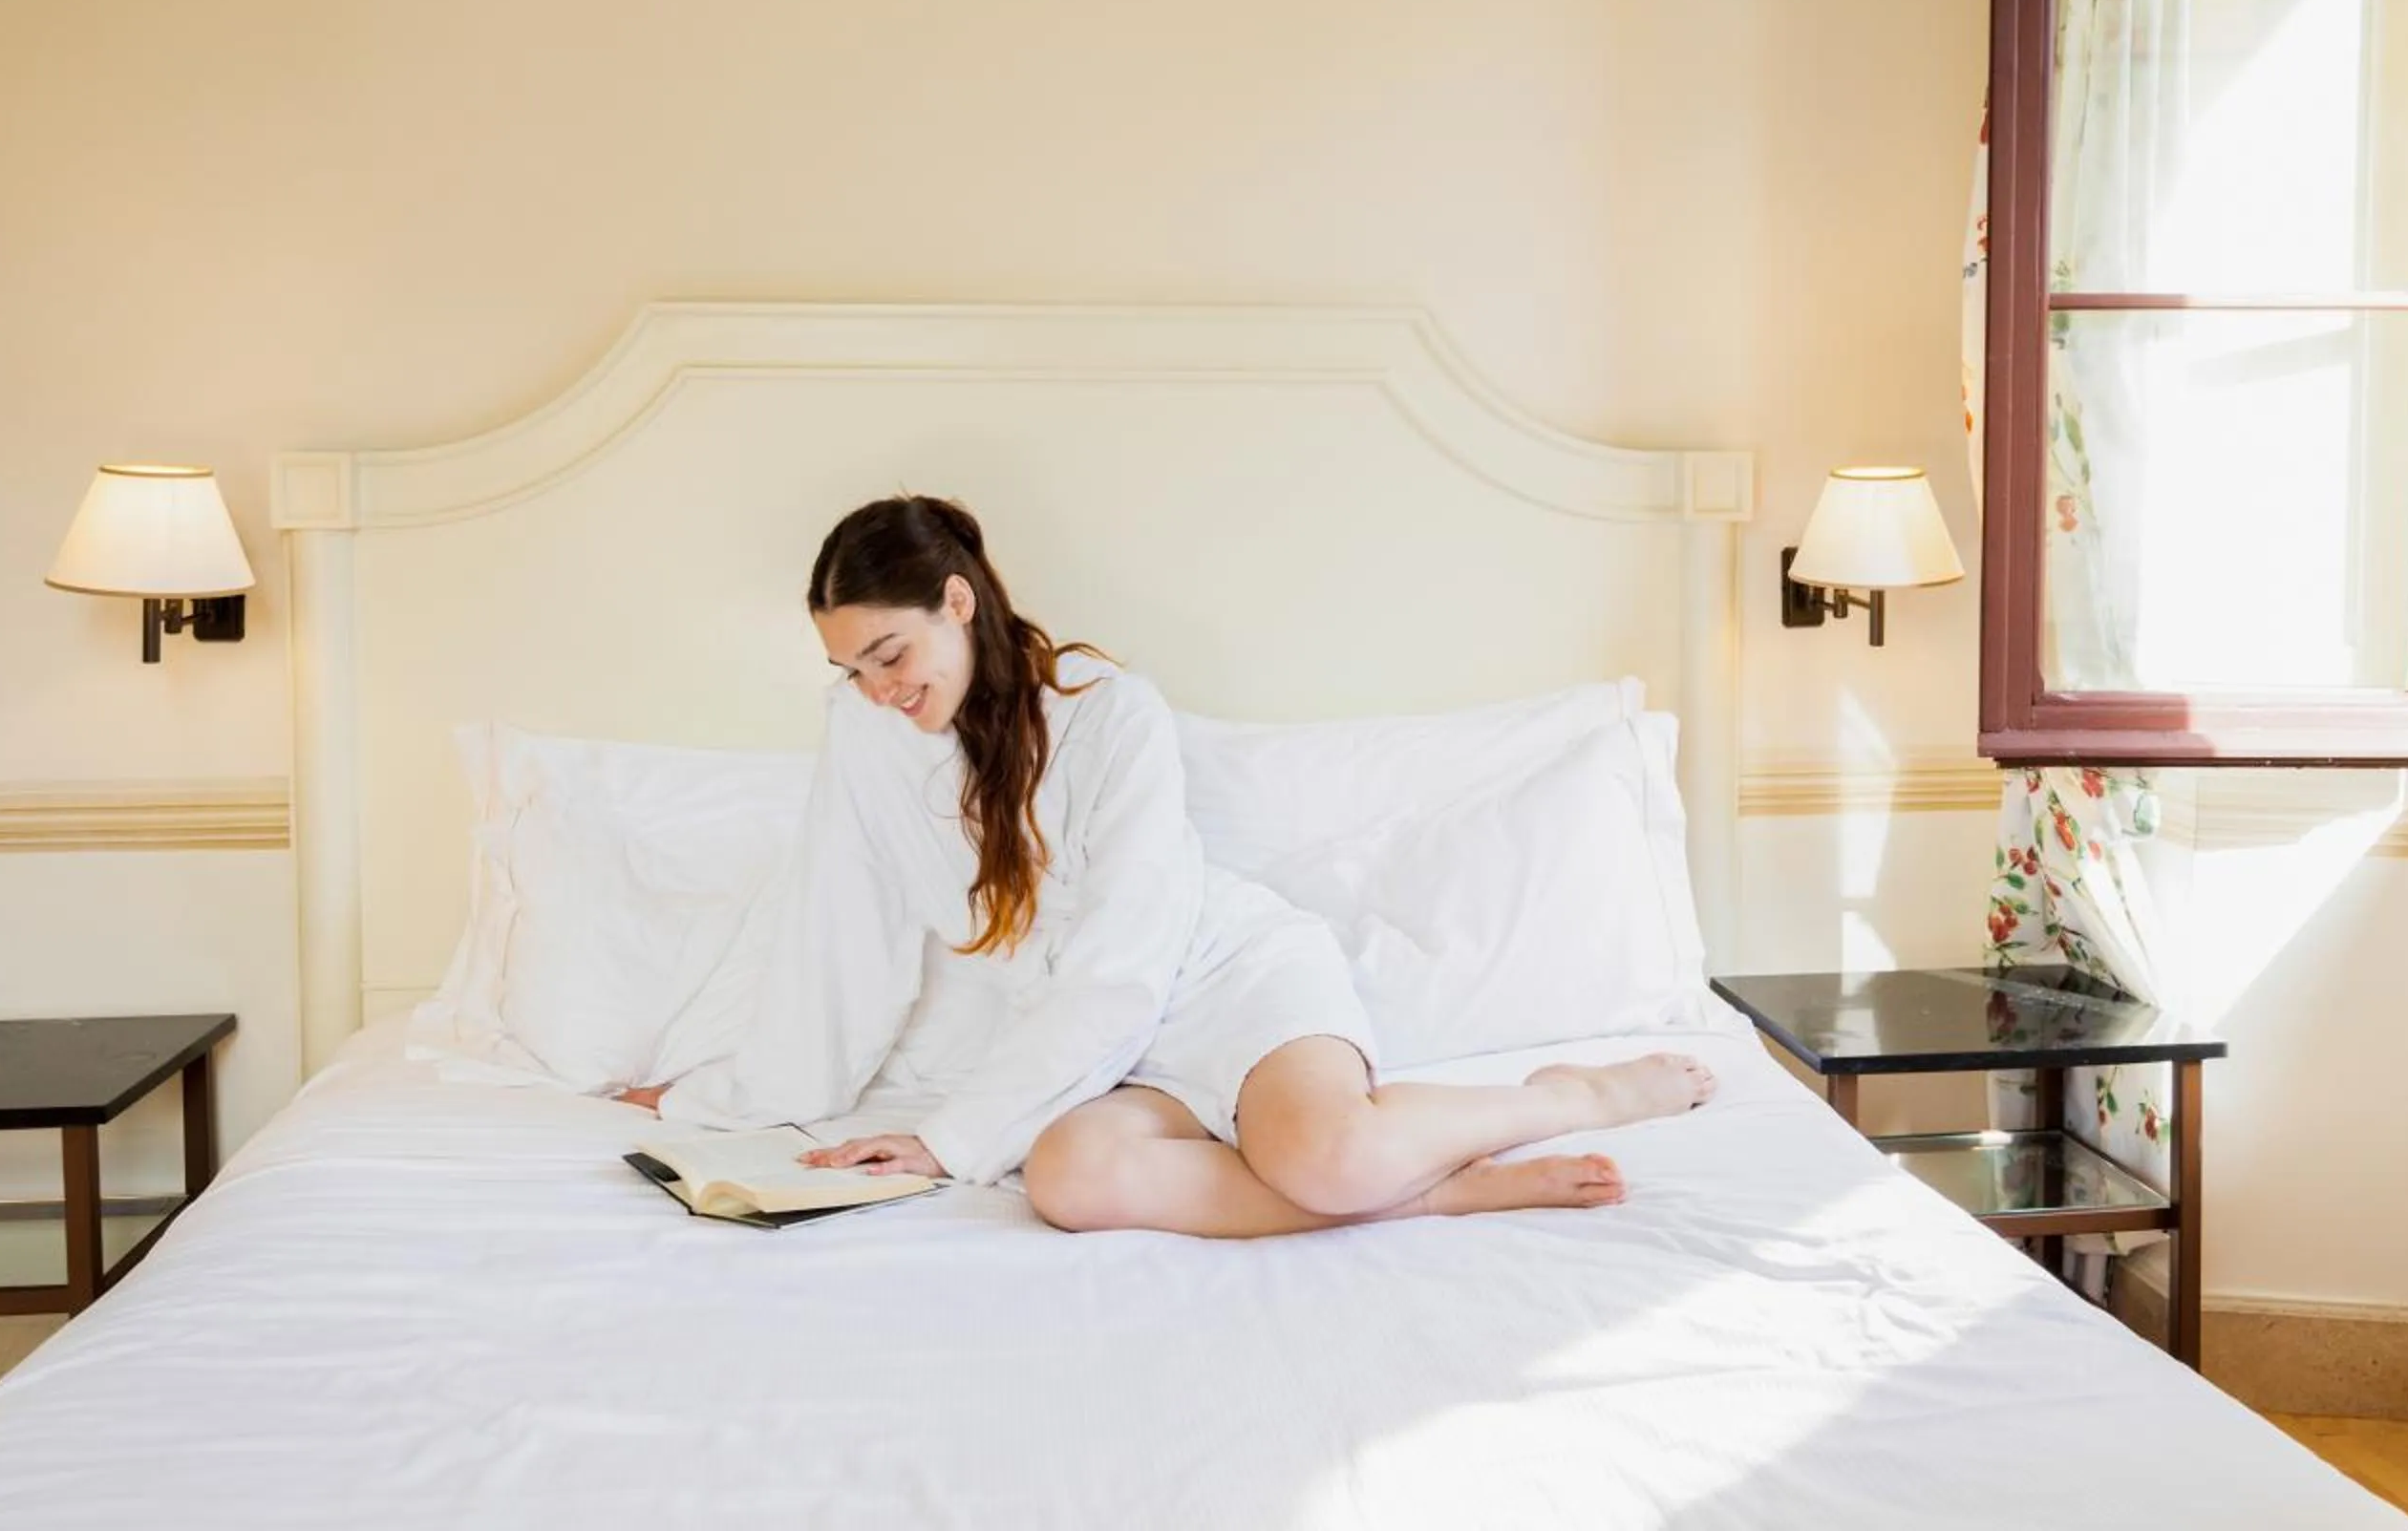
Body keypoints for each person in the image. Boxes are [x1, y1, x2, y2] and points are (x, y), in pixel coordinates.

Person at [625, 495, 1711, 1236]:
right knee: (1066, 1177)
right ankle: (1435, 1193)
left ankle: (1563, 1094)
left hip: (1220, 983)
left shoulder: (1108, 713)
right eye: (849, 666)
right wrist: (725, 1096)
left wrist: (951, 1137)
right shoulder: (864, 734)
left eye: (889, 653)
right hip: (1103, 1050)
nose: (873, 688)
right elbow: (840, 930)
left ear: (958, 599)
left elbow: (1126, 964)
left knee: (1323, 1154)